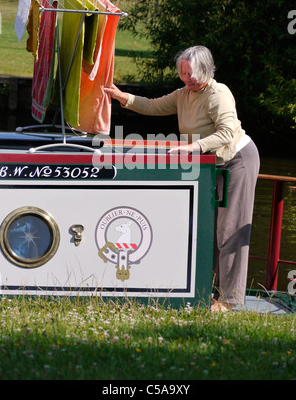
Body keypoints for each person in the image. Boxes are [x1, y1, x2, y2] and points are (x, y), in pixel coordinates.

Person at [104, 45, 260, 312]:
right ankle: (211, 293)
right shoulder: (183, 95)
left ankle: (231, 301)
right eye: (183, 73)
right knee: (209, 230)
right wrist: (122, 97)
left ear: (206, 70)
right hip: (211, 163)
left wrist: (193, 147)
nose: (187, 78)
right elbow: (153, 106)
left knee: (229, 231)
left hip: (237, 160)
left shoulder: (218, 93)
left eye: (192, 73)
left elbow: (226, 133)